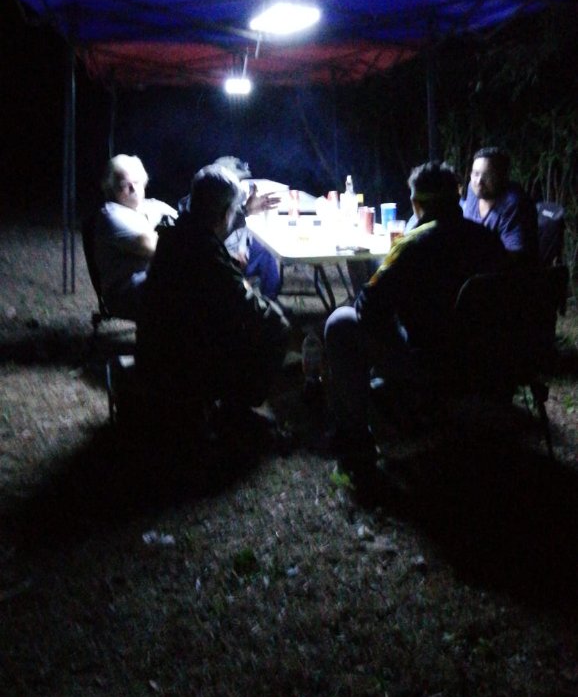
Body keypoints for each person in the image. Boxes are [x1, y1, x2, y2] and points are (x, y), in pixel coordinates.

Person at [324, 160, 507, 472]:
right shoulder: (488, 240)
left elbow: (367, 307)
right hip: (487, 360)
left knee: (340, 322)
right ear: (457, 198)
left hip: (430, 364)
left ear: (416, 204)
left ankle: (355, 438)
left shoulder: (411, 245)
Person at [136, 164, 290, 428]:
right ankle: (236, 408)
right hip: (181, 362)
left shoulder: (177, 233)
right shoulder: (207, 256)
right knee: (277, 325)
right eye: (232, 211)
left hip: (156, 348)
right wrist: (271, 308)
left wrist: (243, 211)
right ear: (224, 213)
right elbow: (254, 310)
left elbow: (212, 227)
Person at [179, 155, 283, 299]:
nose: (240, 184)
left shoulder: (183, 228)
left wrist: (246, 210)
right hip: (223, 264)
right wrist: (232, 262)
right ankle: (267, 302)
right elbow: (213, 243)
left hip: (232, 255)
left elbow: (235, 229)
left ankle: (271, 296)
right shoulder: (205, 255)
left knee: (265, 251)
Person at [93, 154, 177, 319]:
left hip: (147, 283)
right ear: (111, 188)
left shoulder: (150, 206)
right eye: (125, 185)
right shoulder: (112, 214)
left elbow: (184, 218)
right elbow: (154, 248)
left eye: (137, 182)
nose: (133, 189)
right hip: (124, 294)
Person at [461, 146, 539, 262]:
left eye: (487, 176)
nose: (479, 181)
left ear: (502, 177)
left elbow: (514, 256)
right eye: (476, 174)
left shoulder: (513, 204)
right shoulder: (473, 189)